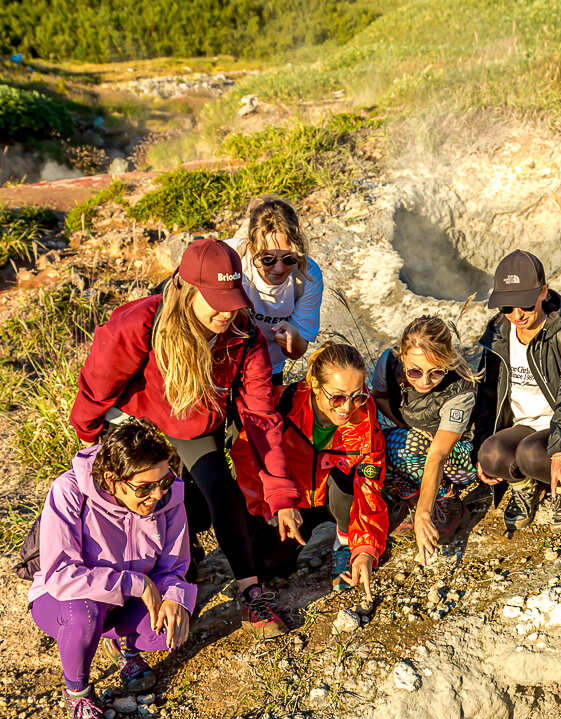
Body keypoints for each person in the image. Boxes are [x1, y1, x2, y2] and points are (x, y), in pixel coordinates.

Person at [69, 237, 303, 635]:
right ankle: (122, 603)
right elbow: (95, 388)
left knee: (219, 489)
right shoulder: (139, 325)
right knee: (135, 498)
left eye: (233, 298)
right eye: (216, 300)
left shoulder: (242, 337)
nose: (227, 312)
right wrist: (92, 449)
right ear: (186, 289)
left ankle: (250, 594)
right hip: (134, 422)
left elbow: (261, 419)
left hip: (191, 423)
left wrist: (280, 493)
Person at [28, 420, 197, 719]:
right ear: (112, 480)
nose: (157, 495)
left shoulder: (169, 496)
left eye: (163, 481)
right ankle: (78, 695)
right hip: (65, 599)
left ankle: (123, 647)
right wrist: (137, 583)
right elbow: (62, 576)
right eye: (144, 488)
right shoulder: (69, 490)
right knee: (84, 616)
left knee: (169, 630)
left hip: (127, 598)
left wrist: (177, 597)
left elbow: (174, 566)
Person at [473, 250, 561, 533]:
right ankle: (523, 487)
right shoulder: (498, 333)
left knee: (530, 454)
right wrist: (478, 447)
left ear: (543, 292)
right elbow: (487, 394)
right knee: (491, 453)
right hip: (523, 425)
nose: (516, 315)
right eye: (507, 307)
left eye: (525, 305)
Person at [253, 341, 388, 599]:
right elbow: (253, 463)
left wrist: (365, 550)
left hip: (338, 496)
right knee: (270, 567)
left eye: (356, 396)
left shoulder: (364, 416)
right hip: (294, 501)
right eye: (337, 397)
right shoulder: (285, 404)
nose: (347, 408)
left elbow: (369, 484)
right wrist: (271, 505)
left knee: (346, 475)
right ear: (316, 386)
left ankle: (346, 541)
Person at [371, 316, 478, 565]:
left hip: (460, 458)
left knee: (411, 446)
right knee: (378, 446)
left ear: (448, 363)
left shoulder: (460, 389)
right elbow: (380, 397)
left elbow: (438, 455)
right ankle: (412, 497)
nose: (425, 381)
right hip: (420, 442)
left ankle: (446, 502)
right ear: (402, 357)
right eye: (415, 371)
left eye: (437, 372)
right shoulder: (389, 362)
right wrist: (405, 426)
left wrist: (424, 513)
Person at [226, 195, 324, 387]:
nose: (279, 269)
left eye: (288, 259)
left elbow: (297, 352)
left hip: (269, 368)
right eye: (268, 259)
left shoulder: (307, 276)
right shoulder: (230, 259)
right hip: (224, 363)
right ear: (251, 246)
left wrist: (292, 339)